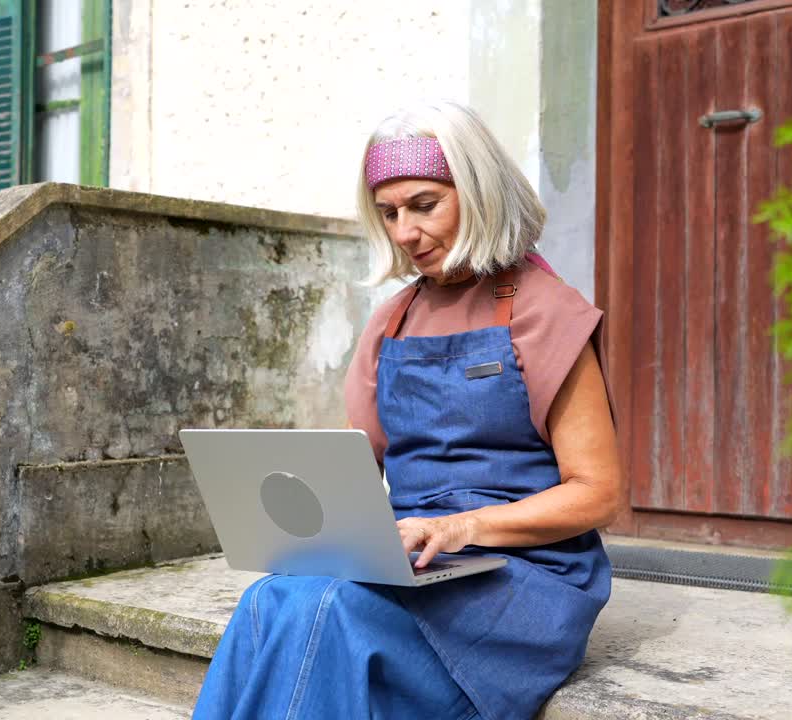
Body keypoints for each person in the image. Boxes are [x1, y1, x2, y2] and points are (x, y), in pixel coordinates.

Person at [192, 100, 623, 720]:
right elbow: (351, 470)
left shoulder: (546, 310)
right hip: (421, 564)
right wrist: (303, 522)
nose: (404, 233)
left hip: (523, 579)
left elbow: (598, 494)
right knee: (270, 599)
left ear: (480, 194)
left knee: (325, 611)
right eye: (389, 212)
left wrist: (459, 528)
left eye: (425, 205)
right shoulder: (390, 322)